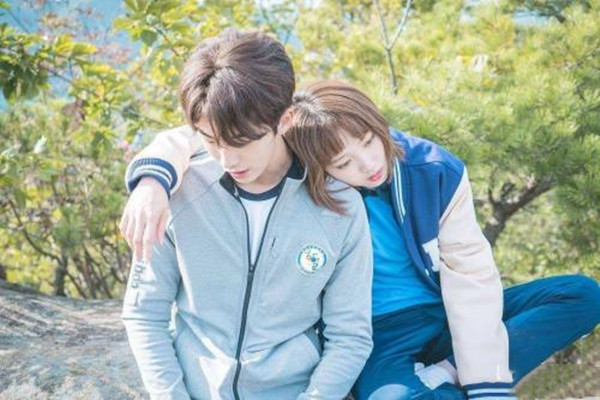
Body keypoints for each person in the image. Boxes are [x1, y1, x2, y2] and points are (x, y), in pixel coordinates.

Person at [122, 78, 600, 400]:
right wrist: (152, 179)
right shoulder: (310, 175)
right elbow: (205, 136)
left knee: (581, 295)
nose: (367, 165)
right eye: (343, 164)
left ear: (378, 124)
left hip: (445, 312)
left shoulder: (433, 170)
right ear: (319, 164)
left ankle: (449, 373)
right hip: (378, 334)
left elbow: (472, 279)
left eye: (370, 142)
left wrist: (483, 382)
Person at [120, 32, 374, 400]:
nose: (227, 159)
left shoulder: (340, 208)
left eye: (241, 141)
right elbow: (144, 313)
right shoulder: (177, 189)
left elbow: (350, 336)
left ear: (284, 120)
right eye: (211, 140)